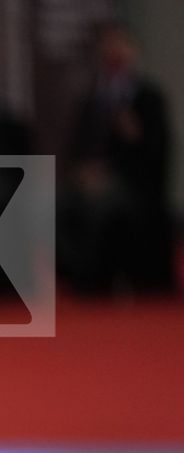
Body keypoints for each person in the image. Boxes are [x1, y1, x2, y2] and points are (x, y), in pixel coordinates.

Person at [60, 21, 175, 293]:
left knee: (103, 206)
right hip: (86, 183)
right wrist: (82, 172)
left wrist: (134, 136)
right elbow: (73, 150)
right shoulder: (90, 100)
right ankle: (78, 277)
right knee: (55, 206)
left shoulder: (149, 98)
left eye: (120, 46)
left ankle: (101, 279)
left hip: (131, 183)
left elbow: (158, 153)